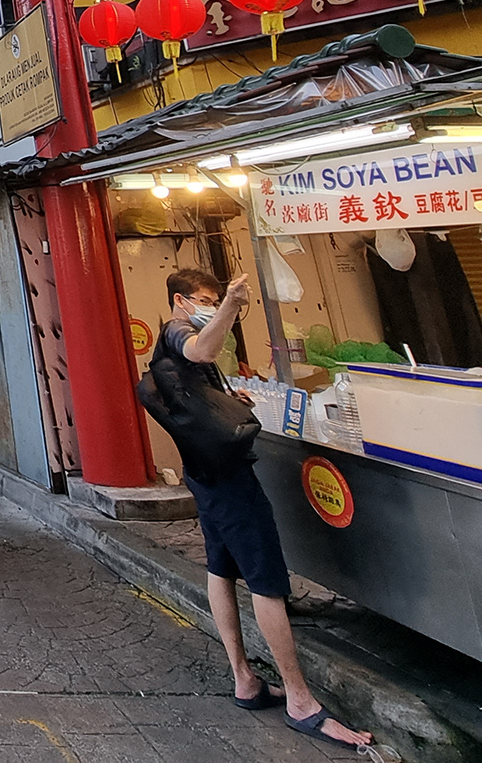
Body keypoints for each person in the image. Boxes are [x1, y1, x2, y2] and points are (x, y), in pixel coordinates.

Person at [161, 269, 371, 749]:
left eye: (215, 301)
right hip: (228, 478)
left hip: (204, 472)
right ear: (181, 300)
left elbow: (197, 378)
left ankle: (245, 679)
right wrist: (233, 305)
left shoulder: (176, 342)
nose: (211, 307)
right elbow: (201, 351)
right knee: (267, 581)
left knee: (221, 567)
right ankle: (300, 701)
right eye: (205, 301)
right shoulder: (178, 331)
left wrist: (228, 399)